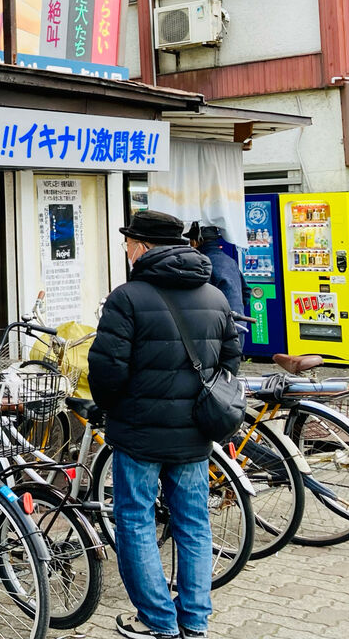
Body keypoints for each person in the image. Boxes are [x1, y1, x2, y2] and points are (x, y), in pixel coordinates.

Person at [89, 210, 242, 639]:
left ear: (142, 246)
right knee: (193, 523)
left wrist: (114, 408)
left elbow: (107, 372)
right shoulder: (213, 296)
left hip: (139, 434)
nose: (126, 249)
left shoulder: (127, 297)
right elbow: (231, 363)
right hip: (195, 433)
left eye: (128, 243)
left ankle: (158, 619)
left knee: (135, 520)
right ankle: (193, 620)